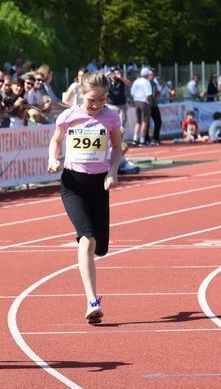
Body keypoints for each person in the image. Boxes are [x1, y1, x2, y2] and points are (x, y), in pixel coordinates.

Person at [46, 71, 122, 325]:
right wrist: (52, 159)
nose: (96, 105)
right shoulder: (68, 116)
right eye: (91, 100)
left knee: (100, 248)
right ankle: (92, 300)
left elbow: (117, 148)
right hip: (73, 184)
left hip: (99, 185)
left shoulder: (111, 117)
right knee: (87, 240)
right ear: (81, 93)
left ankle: (92, 294)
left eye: (101, 100)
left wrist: (112, 173)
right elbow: (55, 141)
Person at [130, 68, 153, 145]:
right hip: (144, 102)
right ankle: (142, 140)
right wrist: (149, 102)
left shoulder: (136, 81)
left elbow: (132, 93)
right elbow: (148, 95)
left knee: (138, 121)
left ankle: (135, 138)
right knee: (145, 122)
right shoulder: (147, 82)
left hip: (137, 101)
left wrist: (135, 99)